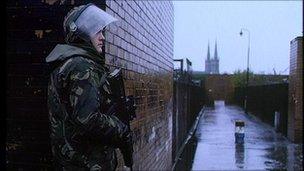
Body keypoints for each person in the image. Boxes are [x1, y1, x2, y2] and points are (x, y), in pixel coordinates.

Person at [46, 3, 133, 170]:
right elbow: (88, 119)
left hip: (74, 162)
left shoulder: (67, 63)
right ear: (81, 34)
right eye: (97, 31)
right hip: (87, 163)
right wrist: (120, 127)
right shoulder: (81, 66)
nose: (103, 37)